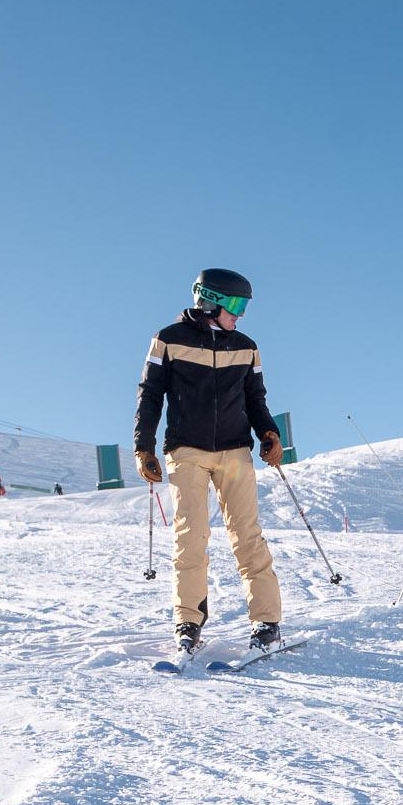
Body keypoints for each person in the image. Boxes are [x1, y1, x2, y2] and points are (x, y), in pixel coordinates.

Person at [133, 268, 285, 659]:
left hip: (234, 450)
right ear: (209, 301)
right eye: (235, 305)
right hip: (186, 450)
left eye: (245, 305)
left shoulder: (247, 346)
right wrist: (144, 448)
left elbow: (256, 400)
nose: (240, 314)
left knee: (247, 535)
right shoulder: (168, 340)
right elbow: (150, 394)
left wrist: (268, 433)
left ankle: (266, 623)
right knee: (191, 536)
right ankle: (188, 623)